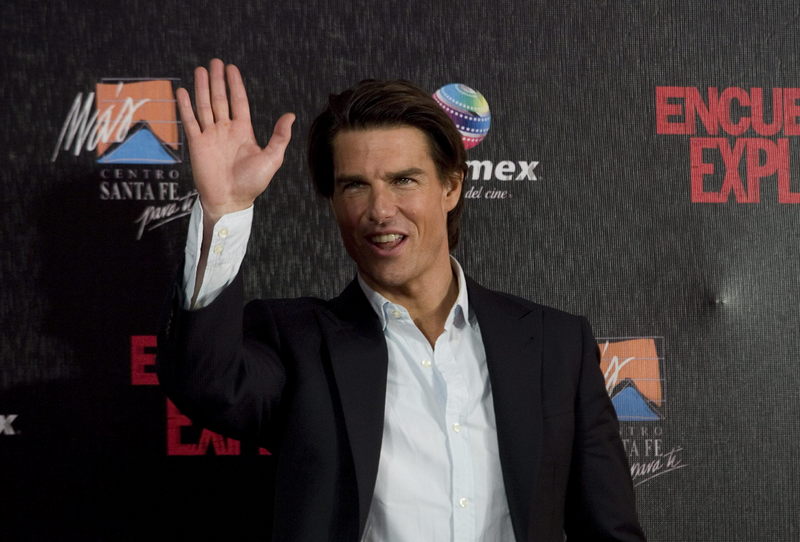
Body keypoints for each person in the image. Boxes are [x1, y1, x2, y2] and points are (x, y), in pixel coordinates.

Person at [157, 58, 646, 542]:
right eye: (355, 186)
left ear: (450, 186)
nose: (380, 209)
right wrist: (225, 210)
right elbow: (208, 384)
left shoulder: (556, 345)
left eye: (403, 180)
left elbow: (609, 530)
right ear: (334, 201)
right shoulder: (297, 341)